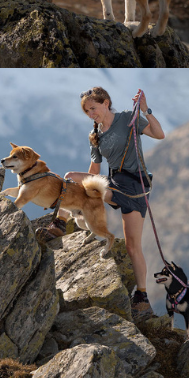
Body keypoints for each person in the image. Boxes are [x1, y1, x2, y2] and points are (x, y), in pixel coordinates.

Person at [65, 85, 166, 321]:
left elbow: (159, 134)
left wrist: (145, 110)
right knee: (70, 177)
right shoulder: (95, 136)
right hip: (113, 183)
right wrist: (84, 187)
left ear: (106, 103)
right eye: (87, 111)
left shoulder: (128, 119)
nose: (91, 114)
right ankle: (61, 221)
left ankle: (142, 297)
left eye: (93, 108)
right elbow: (94, 171)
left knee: (132, 246)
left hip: (135, 185)